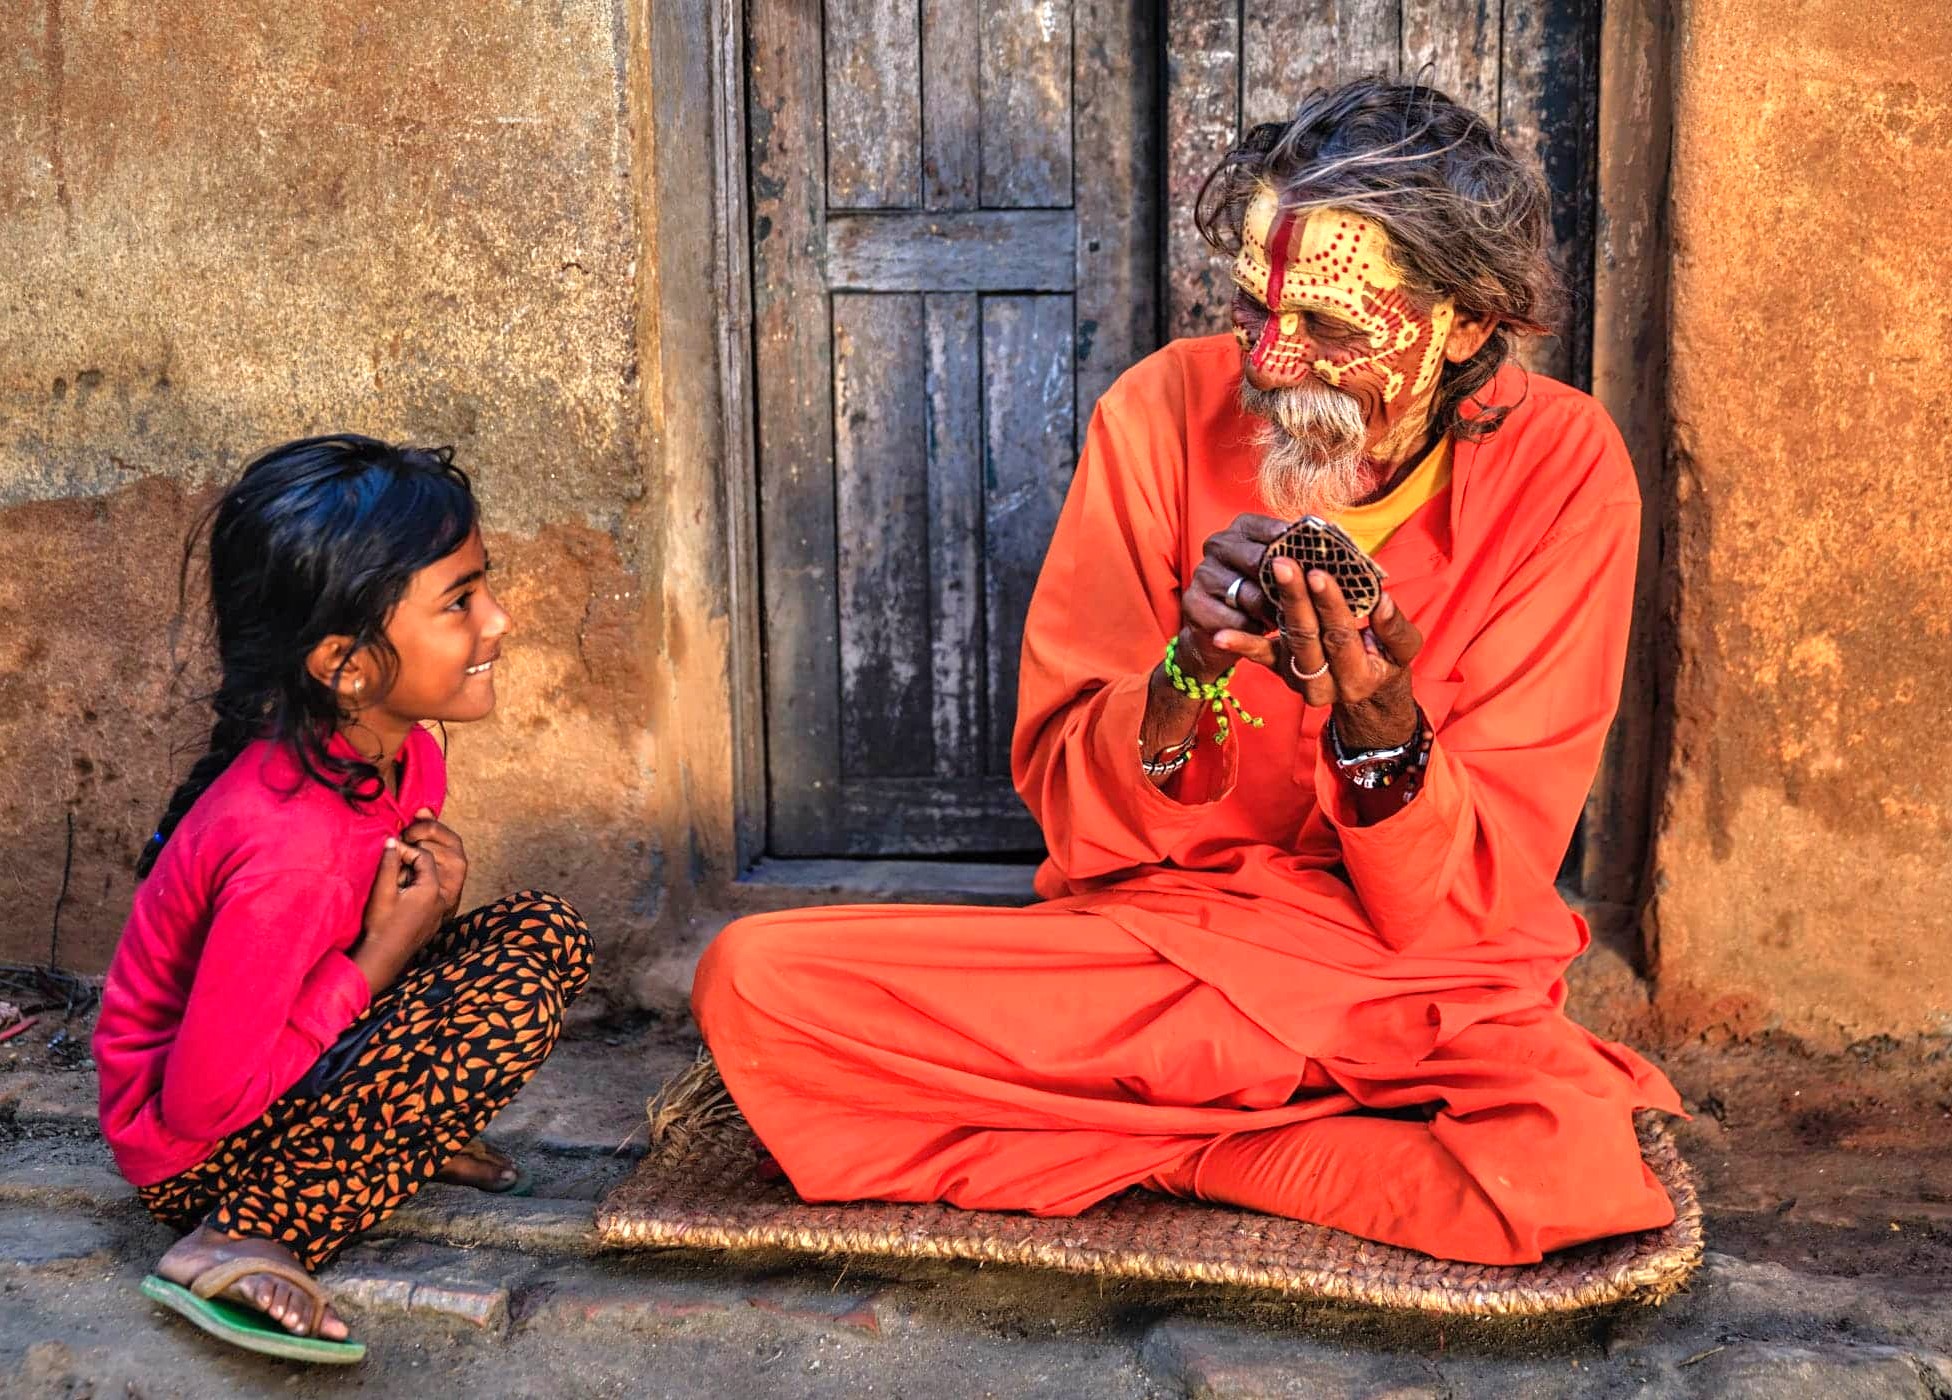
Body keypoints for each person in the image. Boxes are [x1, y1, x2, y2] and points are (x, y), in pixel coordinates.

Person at [692, 77, 1682, 1266]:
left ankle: (1162, 1140)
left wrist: (1377, 724)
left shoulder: (1564, 467)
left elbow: (1472, 894)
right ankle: (1237, 1142)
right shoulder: (1158, 411)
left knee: (1557, 1168)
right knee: (755, 979)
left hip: (1400, 966)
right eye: (1253, 310)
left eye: (1325, 330)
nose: (1271, 360)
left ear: (1467, 324)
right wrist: (1188, 666)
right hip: (1160, 951)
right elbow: (1072, 804)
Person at [93, 436, 590, 1362]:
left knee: (543, 934)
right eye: (460, 602)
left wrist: (416, 921)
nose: (501, 620)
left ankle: (382, 1136)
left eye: (484, 586)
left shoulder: (406, 755)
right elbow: (202, 1107)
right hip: (197, 1153)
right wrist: (383, 956)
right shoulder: (290, 848)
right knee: (509, 1002)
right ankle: (245, 1235)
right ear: (347, 664)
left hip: (289, 1058)